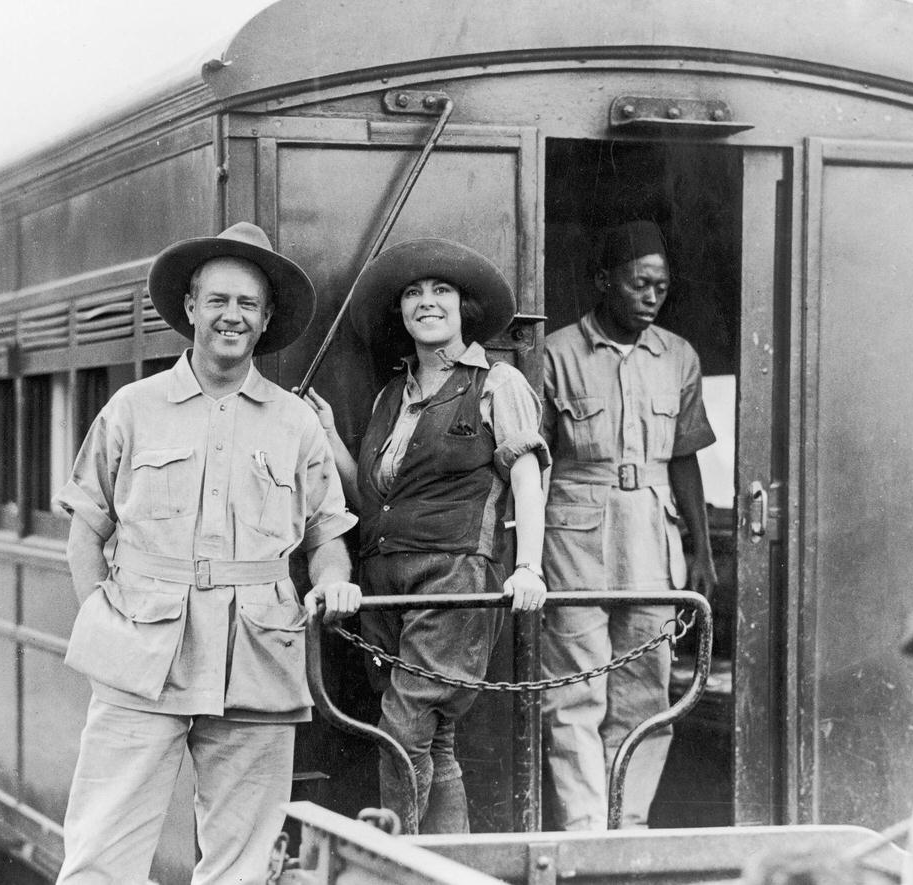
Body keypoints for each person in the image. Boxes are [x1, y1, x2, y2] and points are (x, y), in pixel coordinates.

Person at [52, 222, 361, 884]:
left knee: (242, 868)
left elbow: (327, 536)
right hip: (142, 658)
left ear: (267, 317)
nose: (232, 316)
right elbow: (86, 531)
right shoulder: (133, 409)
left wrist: (333, 582)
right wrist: (106, 623)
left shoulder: (295, 421)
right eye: (218, 300)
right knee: (100, 856)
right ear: (190, 307)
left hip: (257, 660)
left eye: (247, 304)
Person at [304, 238, 548, 835]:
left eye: (441, 291)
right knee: (433, 738)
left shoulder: (498, 383)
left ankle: (402, 865)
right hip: (385, 581)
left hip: (454, 578)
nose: (426, 302)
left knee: (403, 724)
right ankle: (449, 866)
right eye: (413, 293)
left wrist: (530, 568)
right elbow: (373, 502)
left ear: (465, 308)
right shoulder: (394, 396)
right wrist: (329, 434)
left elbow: (527, 478)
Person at [541, 219, 718, 830]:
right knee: (575, 690)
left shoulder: (680, 357)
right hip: (572, 541)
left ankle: (629, 824)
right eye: (639, 284)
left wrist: (700, 551)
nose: (651, 296)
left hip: (653, 537)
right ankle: (587, 828)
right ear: (602, 283)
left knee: (646, 685)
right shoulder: (555, 353)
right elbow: (531, 467)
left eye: (661, 287)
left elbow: (685, 457)